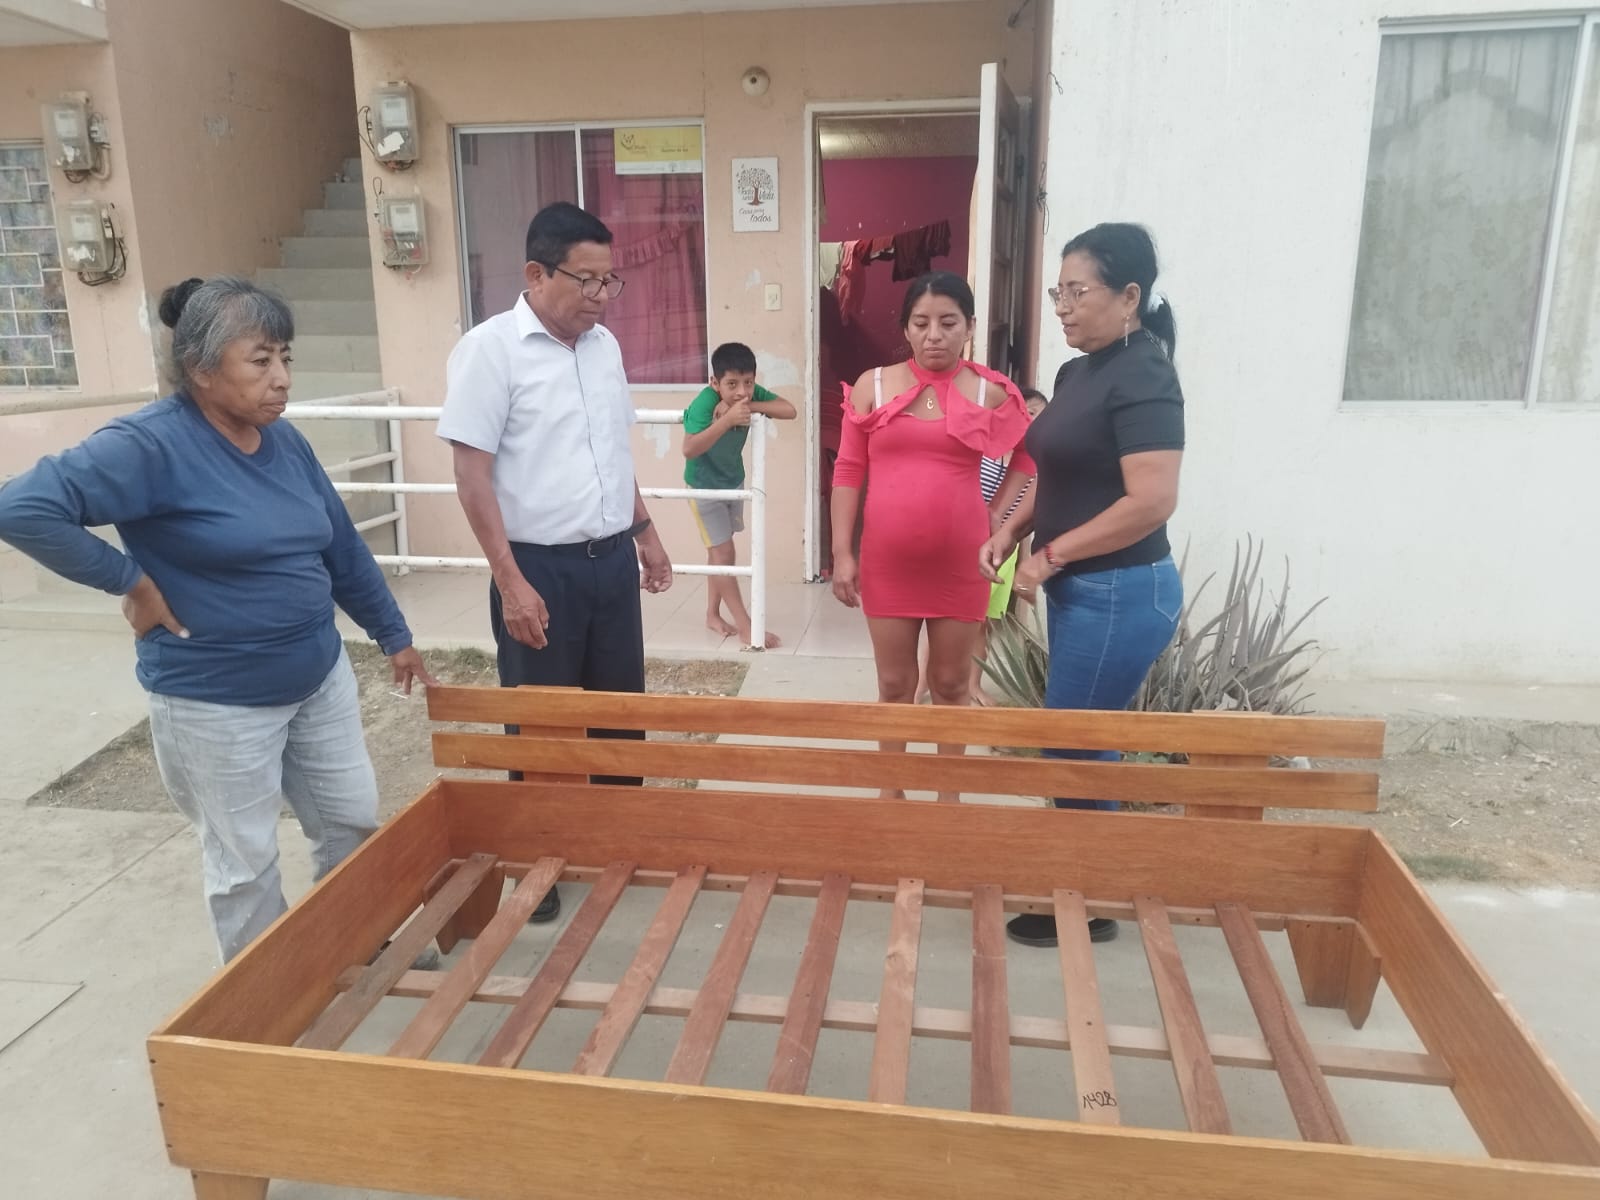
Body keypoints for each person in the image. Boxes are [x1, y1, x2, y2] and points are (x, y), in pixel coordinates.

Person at [0, 276, 438, 964]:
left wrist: (393, 635)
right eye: (260, 360)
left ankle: (364, 938)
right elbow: (21, 508)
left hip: (317, 678)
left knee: (349, 821)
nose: (281, 377)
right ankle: (267, 1001)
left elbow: (340, 546)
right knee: (245, 865)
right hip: (215, 699)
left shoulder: (283, 441)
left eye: (285, 357)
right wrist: (129, 580)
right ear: (201, 369)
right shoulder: (149, 446)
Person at [438, 201, 674, 923]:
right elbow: (471, 476)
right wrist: (510, 580)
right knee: (543, 725)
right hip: (537, 568)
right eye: (587, 281)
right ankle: (540, 866)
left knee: (618, 712)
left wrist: (645, 531)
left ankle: (614, 847)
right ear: (536, 274)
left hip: (610, 564)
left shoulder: (603, 348)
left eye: (610, 281)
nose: (602, 297)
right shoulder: (489, 351)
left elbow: (613, 452)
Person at [979, 223, 1185, 948]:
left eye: (1077, 292)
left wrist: (1051, 557)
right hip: (1086, 593)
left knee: (1073, 743)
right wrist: (1011, 529)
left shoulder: (1145, 375)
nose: (1063, 307)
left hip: (1121, 591)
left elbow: (1151, 501)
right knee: (1081, 742)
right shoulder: (1078, 373)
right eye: (1057, 292)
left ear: (1129, 296)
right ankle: (1085, 882)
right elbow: (1056, 471)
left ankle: (1084, 899)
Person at [830, 271, 1035, 801]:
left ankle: (948, 796)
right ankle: (891, 792)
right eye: (921, 323)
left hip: (961, 564)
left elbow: (1030, 453)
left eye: (948, 322)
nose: (934, 335)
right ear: (906, 328)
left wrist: (998, 514)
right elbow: (848, 471)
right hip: (888, 563)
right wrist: (841, 552)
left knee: (950, 684)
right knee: (895, 686)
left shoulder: (989, 390)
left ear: (969, 327)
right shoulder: (874, 386)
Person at [681, 341, 796, 647]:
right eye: (732, 384)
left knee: (719, 553)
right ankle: (746, 627)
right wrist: (727, 421)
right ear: (715, 383)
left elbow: (789, 410)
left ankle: (712, 614)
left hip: (732, 482)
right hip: (704, 486)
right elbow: (689, 448)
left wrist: (749, 408)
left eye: (748, 382)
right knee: (723, 553)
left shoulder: (748, 397)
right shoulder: (705, 402)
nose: (742, 391)